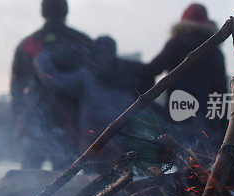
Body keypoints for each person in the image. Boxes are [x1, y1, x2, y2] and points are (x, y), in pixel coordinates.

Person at [34, 36, 164, 171]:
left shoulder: (88, 75)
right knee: (120, 182)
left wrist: (42, 59)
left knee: (97, 185)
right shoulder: (123, 76)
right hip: (109, 146)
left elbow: (56, 81)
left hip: (97, 146)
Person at [10, 0, 93, 170]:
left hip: (35, 118)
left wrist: (17, 117)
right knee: (65, 178)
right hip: (70, 120)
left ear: (43, 11)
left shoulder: (28, 44)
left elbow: (16, 87)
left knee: (28, 178)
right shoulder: (82, 41)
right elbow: (94, 83)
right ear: (66, 11)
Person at [145, 3, 227, 150]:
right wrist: (224, 132)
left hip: (179, 115)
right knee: (204, 162)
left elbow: (152, 70)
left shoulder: (177, 44)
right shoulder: (215, 52)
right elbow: (221, 93)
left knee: (182, 160)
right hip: (208, 121)